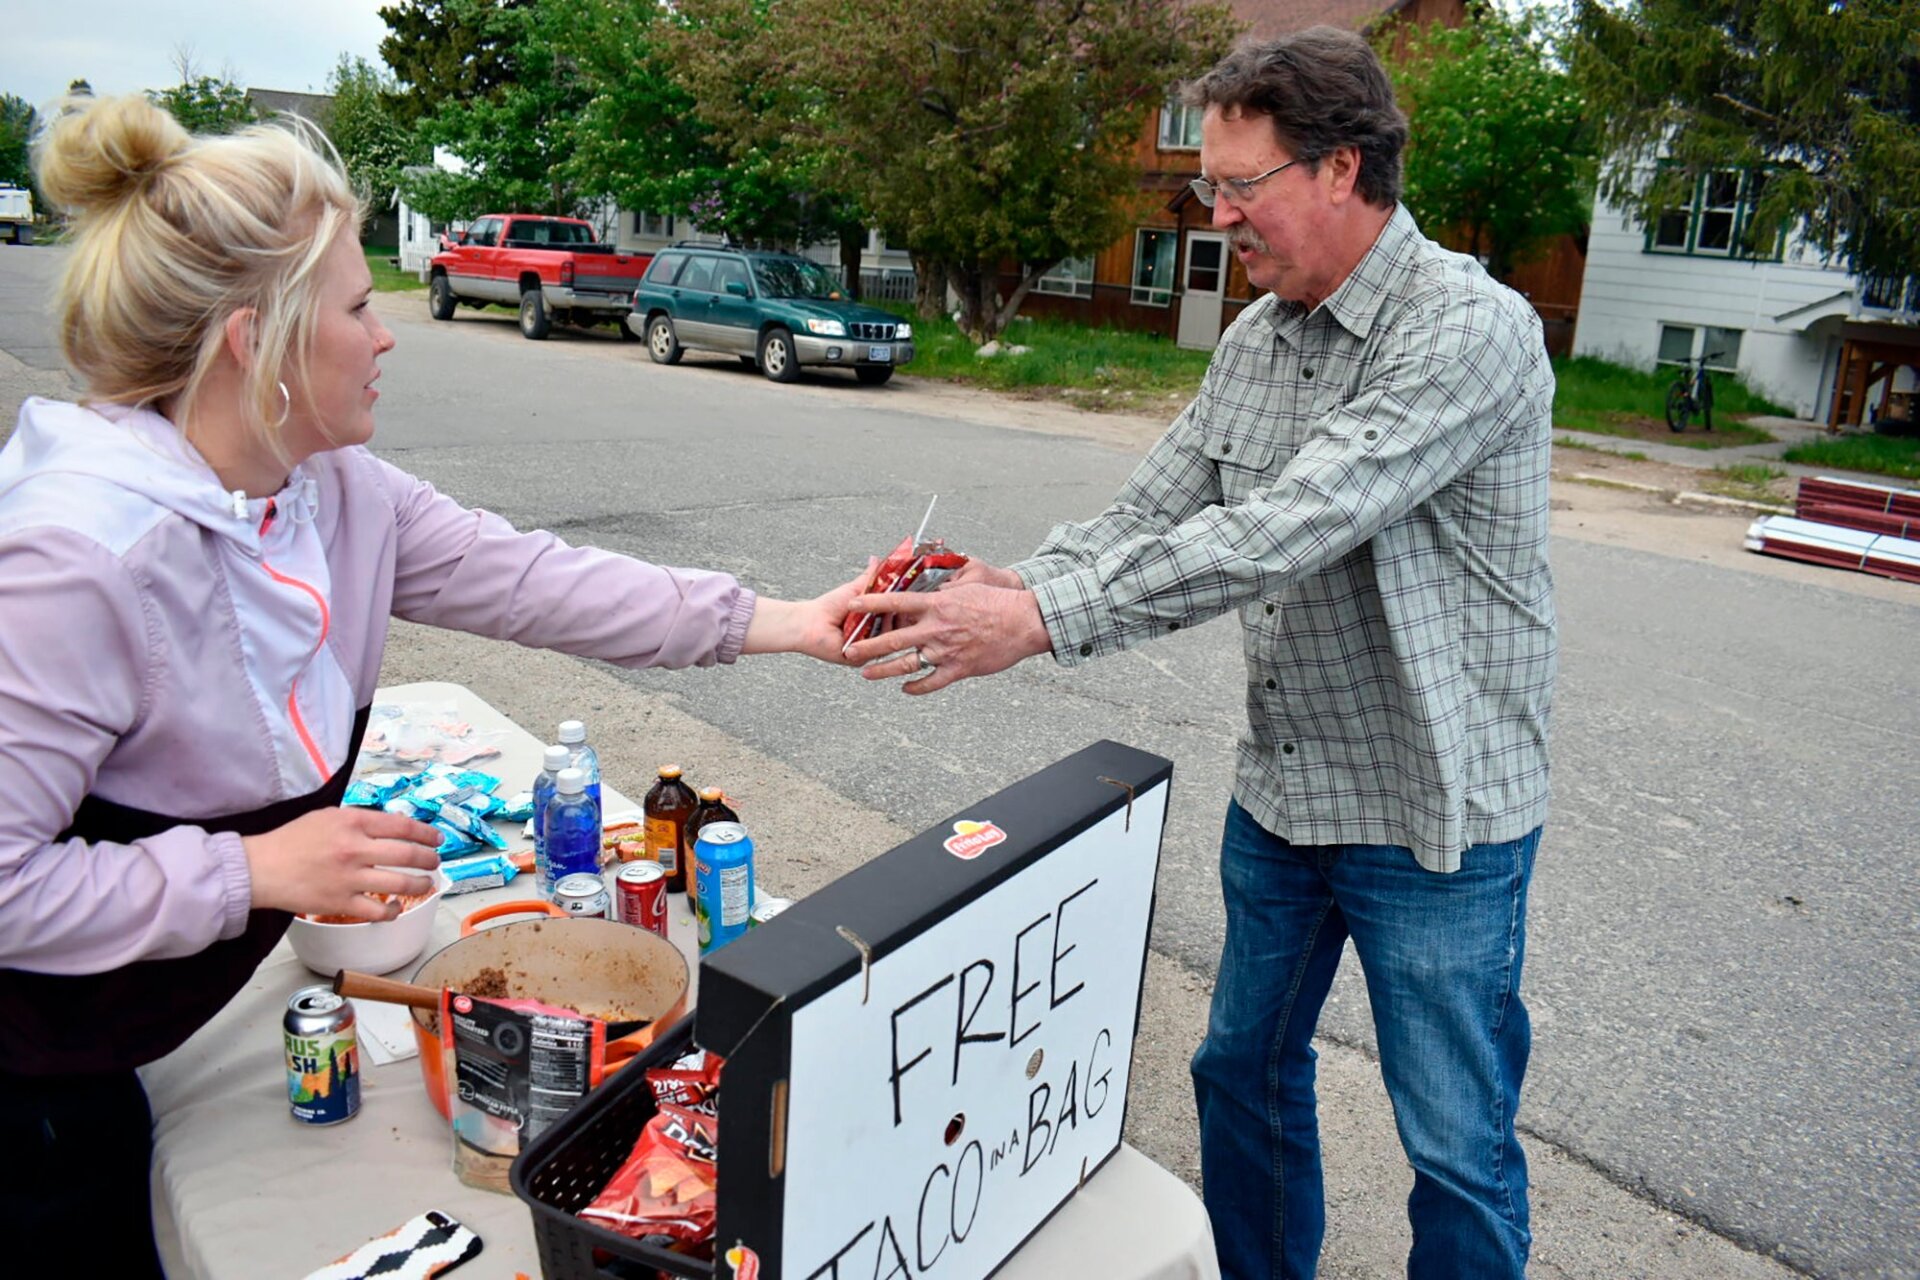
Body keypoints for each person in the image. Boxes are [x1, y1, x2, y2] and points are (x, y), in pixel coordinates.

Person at [0, 96, 860, 1274]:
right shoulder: (75, 560)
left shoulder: (338, 487)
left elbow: (550, 581)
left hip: (128, 1021)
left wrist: (790, 621)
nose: (388, 333)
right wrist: (251, 870)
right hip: (29, 1071)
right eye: (358, 308)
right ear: (260, 340)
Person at [844, 27, 1557, 1280]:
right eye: (1208, 189)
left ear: (1341, 170)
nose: (1217, 214)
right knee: (1240, 1068)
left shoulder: (1466, 330)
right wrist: (1011, 581)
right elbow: (1152, 513)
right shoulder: (1260, 335)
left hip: (1435, 807)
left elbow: (1288, 527)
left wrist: (1048, 621)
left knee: (1455, 1142)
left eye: (1241, 187)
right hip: (1287, 790)